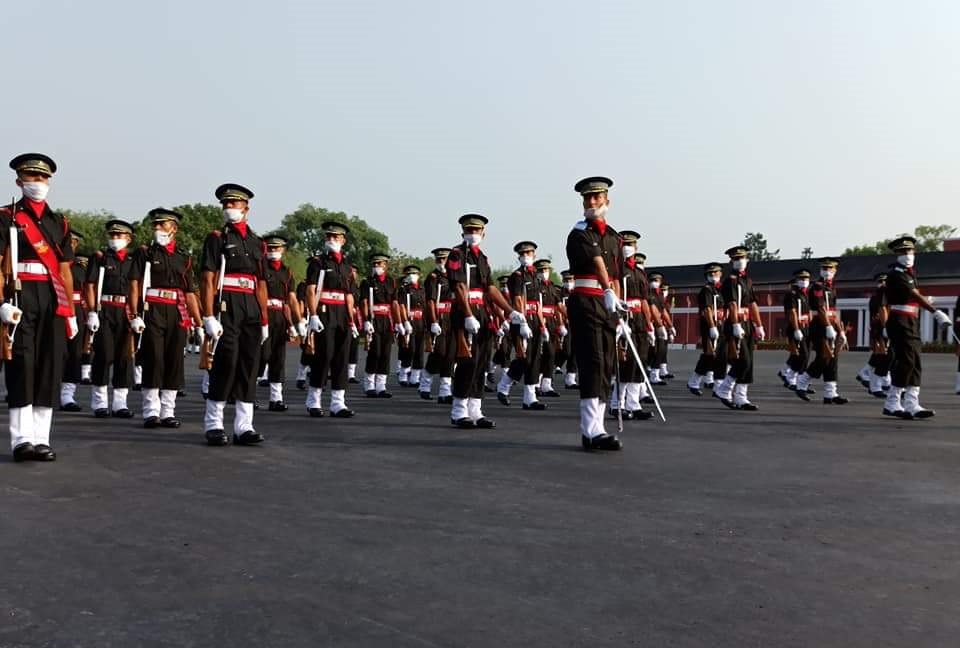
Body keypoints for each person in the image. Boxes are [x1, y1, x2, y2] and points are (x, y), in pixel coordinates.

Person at [1, 153, 79, 461]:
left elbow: (64, 270)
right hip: (20, 297)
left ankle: (41, 438)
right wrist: (2, 303)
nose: (38, 183)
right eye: (31, 178)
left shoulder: (58, 221)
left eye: (43, 178)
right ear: (20, 181)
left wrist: (71, 311)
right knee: (22, 365)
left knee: (49, 365)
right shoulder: (6, 217)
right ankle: (21, 438)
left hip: (52, 298)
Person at [200, 183, 269, 446]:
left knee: (249, 365)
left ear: (246, 208)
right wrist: (208, 315)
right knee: (225, 364)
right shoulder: (217, 238)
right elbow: (208, 279)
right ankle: (214, 423)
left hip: (250, 305)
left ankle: (244, 426)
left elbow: (261, 283)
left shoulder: (256, 242)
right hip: (226, 304)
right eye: (226, 204)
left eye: (234, 204)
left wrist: (264, 319)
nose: (230, 208)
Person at [446, 214, 523, 428]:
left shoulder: (482, 258)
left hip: (482, 313)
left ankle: (476, 410)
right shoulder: (456, 254)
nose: (473, 234)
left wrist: (510, 311)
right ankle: (459, 410)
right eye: (469, 230)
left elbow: (489, 288)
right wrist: (468, 314)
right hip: (464, 311)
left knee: (481, 362)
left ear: (483, 233)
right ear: (463, 232)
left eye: (476, 231)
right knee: (467, 362)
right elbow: (460, 287)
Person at [128, 208, 203, 428]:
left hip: (177, 311)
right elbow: (135, 285)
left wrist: (198, 322)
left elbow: (189, 293)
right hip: (152, 310)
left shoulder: (183, 258)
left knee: (173, 361)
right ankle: (151, 411)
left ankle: (168, 411)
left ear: (174, 229)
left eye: (163, 225)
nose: (158, 229)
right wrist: (134, 314)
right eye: (156, 225)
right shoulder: (145, 253)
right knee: (154, 359)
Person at [565, 177, 624, 450]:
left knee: (608, 364)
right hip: (586, 302)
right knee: (593, 362)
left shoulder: (614, 236)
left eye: (596, 197)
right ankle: (590, 430)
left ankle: (598, 427)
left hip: (607, 305)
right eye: (587, 199)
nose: (591, 202)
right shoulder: (580, 232)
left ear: (606, 201)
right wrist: (607, 289)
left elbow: (617, 276)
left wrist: (619, 311)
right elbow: (599, 263)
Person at [882, 236, 950, 418]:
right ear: (896, 254)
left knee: (916, 361)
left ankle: (912, 403)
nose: (907, 255)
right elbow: (913, 294)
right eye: (903, 252)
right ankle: (892, 402)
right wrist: (934, 311)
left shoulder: (909, 273)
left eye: (910, 251)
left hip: (911, 320)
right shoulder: (896, 274)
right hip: (899, 320)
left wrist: (926, 304)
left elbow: (915, 295)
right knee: (906, 360)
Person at [303, 221, 358, 417]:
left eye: (336, 237)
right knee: (323, 356)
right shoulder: (318, 263)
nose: (331, 240)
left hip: (342, 313)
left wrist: (352, 321)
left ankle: (338, 403)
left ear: (344, 240)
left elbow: (350, 295)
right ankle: (314, 400)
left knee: (341, 358)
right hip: (325, 311)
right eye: (329, 237)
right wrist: (313, 314)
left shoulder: (347, 267)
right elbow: (310, 291)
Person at [85, 220, 137, 418]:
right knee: (104, 354)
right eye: (112, 235)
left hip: (125, 311)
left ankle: (119, 403)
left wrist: (136, 314)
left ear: (128, 239)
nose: (115, 239)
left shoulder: (133, 261)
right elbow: (90, 285)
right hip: (105, 309)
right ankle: (99, 402)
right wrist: (91, 311)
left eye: (119, 236)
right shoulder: (100, 258)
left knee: (124, 357)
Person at [713, 246, 765, 410]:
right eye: (736, 259)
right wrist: (735, 324)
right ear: (731, 262)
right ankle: (725, 389)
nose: (740, 261)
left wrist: (759, 325)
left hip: (747, 323)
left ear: (747, 260)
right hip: (736, 324)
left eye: (742, 258)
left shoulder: (747, 280)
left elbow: (753, 304)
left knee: (749, 362)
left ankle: (741, 397)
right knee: (743, 360)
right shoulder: (731, 281)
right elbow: (732, 304)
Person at [609, 231, 653, 420]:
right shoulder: (616, 270)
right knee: (625, 363)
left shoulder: (640, 272)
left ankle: (633, 405)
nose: (627, 247)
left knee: (639, 362)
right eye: (624, 244)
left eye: (630, 244)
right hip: (625, 319)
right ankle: (616, 404)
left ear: (636, 248)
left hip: (639, 321)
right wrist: (617, 320)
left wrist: (650, 325)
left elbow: (644, 301)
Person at [496, 241, 544, 411]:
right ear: (519, 256)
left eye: (529, 253)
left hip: (535, 320)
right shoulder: (517, 276)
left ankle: (524, 396)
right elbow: (517, 300)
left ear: (534, 255)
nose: (526, 257)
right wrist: (523, 323)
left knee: (533, 358)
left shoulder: (536, 275)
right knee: (525, 357)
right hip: (522, 320)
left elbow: (538, 302)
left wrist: (542, 325)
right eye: (523, 254)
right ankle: (509, 389)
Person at [259, 235, 304, 412]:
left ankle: (276, 398)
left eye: (277, 249)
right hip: (263, 314)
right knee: (261, 356)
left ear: (283, 250)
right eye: (270, 248)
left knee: (278, 358)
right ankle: (249, 395)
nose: (273, 252)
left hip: (279, 316)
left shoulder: (287, 272)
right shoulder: (260, 267)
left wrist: (298, 320)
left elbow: (291, 299)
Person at [794, 258, 848, 404]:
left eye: (830, 269)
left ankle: (830, 393)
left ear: (835, 271)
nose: (827, 271)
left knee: (832, 359)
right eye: (824, 268)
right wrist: (828, 327)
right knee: (824, 357)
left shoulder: (831, 288)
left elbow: (833, 312)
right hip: (819, 326)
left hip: (830, 326)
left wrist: (840, 330)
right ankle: (802, 382)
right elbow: (821, 309)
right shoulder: (818, 287)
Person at [360, 253, 400, 398]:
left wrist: (399, 322)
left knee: (385, 353)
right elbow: (364, 302)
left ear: (386, 266)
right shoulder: (367, 282)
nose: (377, 267)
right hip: (374, 318)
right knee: (374, 352)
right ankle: (369, 384)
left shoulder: (391, 282)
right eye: (375, 264)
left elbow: (394, 303)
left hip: (387, 320)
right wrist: (366, 320)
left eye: (380, 264)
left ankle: (381, 386)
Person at [420, 248, 455, 402]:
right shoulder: (433, 277)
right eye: (439, 259)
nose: (442, 262)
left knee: (450, 355)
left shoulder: (454, 277)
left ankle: (444, 391)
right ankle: (425, 383)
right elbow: (430, 302)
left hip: (452, 317)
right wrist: (433, 321)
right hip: (439, 317)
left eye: (445, 259)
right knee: (439, 353)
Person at [687, 262, 725, 396]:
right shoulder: (706, 290)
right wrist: (712, 327)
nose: (713, 275)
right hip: (710, 326)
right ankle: (694, 381)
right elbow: (708, 309)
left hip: (721, 324)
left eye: (716, 273)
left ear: (721, 274)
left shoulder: (721, 290)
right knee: (710, 354)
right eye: (710, 273)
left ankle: (717, 384)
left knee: (720, 356)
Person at [60, 232, 87, 412]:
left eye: (73, 242)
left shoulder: (80, 267)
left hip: (76, 309)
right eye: (67, 242)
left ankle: (67, 394)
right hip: (55, 308)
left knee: (74, 352)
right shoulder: (54, 263)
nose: (70, 245)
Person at [535, 258, 565, 398]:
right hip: (541, 322)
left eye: (546, 270)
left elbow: (558, 307)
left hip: (552, 322)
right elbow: (538, 308)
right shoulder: (536, 286)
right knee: (540, 354)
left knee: (551, 354)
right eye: (541, 270)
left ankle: (546, 384)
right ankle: (536, 383)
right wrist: (542, 326)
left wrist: (562, 324)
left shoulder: (553, 287)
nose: (544, 273)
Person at [859, 272, 891, 398]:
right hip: (880, 328)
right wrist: (885, 327)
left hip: (880, 327)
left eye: (884, 282)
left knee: (882, 354)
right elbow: (880, 313)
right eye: (880, 282)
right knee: (882, 354)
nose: (882, 284)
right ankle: (876, 380)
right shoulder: (878, 297)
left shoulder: (880, 296)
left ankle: (876, 378)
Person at [779, 269, 812, 392]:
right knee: (801, 355)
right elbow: (792, 313)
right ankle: (790, 377)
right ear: (796, 280)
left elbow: (808, 313)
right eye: (801, 279)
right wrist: (797, 329)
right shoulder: (792, 295)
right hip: (796, 328)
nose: (804, 281)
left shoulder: (805, 294)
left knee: (805, 355)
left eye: (806, 279)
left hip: (806, 327)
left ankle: (799, 380)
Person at [397, 264, 425, 388]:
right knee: (409, 349)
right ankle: (403, 374)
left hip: (421, 321)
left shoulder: (422, 290)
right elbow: (401, 306)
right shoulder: (404, 290)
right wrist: (405, 321)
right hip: (410, 320)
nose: (411, 276)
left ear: (419, 275)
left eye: (414, 274)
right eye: (409, 274)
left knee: (419, 350)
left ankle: (415, 377)